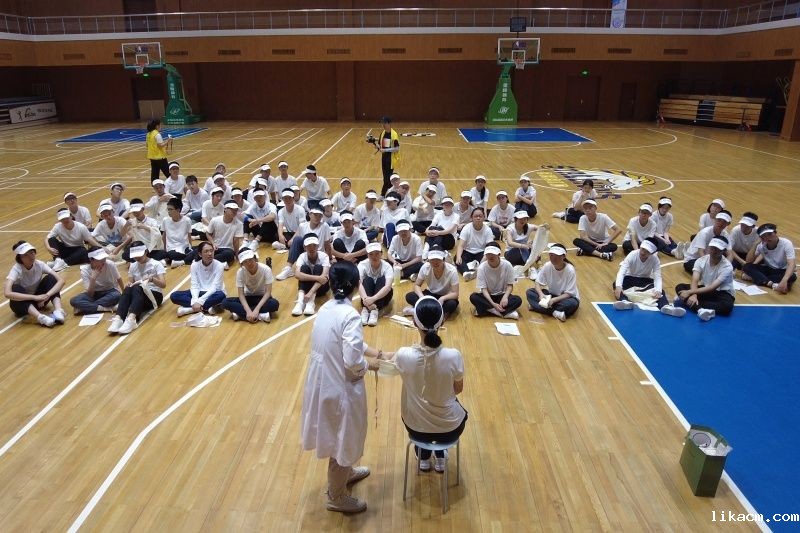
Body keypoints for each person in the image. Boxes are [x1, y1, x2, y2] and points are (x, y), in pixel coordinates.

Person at [300, 260, 384, 513]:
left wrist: (376, 353)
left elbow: (346, 342)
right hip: (340, 386)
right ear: (357, 285)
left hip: (323, 380)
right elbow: (352, 360)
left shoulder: (326, 308)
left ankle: (345, 473)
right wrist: (370, 365)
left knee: (339, 434)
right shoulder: (351, 315)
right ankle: (336, 495)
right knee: (343, 437)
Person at [381, 296, 467, 473]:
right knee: (455, 407)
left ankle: (424, 456)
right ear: (442, 321)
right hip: (449, 430)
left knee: (420, 418)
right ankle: (441, 455)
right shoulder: (454, 356)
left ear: (414, 322)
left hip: (416, 429)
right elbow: (458, 389)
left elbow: (384, 360)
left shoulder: (403, 355)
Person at [662, 236, 734, 321]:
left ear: (724, 251)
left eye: (717, 249)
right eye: (712, 247)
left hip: (722, 293)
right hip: (705, 289)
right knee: (680, 287)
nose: (714, 251)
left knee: (727, 307)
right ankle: (700, 310)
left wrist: (689, 292)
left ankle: (686, 302)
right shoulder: (701, 260)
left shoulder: (727, 267)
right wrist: (694, 295)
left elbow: (712, 287)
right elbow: (695, 280)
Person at [108, 241, 167, 335]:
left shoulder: (156, 264)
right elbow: (131, 283)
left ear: (146, 252)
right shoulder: (133, 265)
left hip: (154, 295)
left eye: (139, 255)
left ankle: (131, 318)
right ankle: (119, 318)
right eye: (135, 256)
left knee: (137, 287)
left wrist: (152, 279)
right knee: (128, 288)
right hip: (138, 295)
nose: (137, 258)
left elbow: (163, 285)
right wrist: (128, 284)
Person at [5, 241, 66, 327]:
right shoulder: (16, 269)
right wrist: (35, 297)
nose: (30, 256)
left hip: (40, 301)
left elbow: (61, 280)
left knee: (51, 278)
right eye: (26, 255)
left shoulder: (39, 264)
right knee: (15, 288)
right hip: (21, 305)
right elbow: (7, 293)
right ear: (20, 258)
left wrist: (46, 295)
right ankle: (41, 318)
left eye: (31, 252)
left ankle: (58, 311)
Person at [170, 241, 227, 316]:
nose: (210, 253)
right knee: (174, 295)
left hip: (213, 293)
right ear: (200, 254)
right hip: (199, 292)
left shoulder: (219, 265)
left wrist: (200, 301)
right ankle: (206, 307)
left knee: (221, 296)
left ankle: (190, 309)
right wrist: (195, 301)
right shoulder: (195, 265)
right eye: (206, 251)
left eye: (211, 251)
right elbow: (194, 285)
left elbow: (215, 287)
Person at [526, 244, 580, 322]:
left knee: (573, 304)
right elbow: (537, 282)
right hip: (551, 295)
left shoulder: (570, 270)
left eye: (557, 256)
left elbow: (569, 294)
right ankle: (555, 312)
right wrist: (541, 295)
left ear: (564, 256)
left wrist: (553, 300)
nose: (553, 258)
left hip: (566, 298)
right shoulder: (547, 265)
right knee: (530, 292)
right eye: (551, 255)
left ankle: (537, 307)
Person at [223, 249, 279, 322]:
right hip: (248, 297)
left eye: (250, 260)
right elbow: (241, 295)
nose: (249, 263)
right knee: (225, 302)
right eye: (245, 262)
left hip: (261, 297)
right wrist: (248, 311)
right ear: (242, 264)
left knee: (274, 304)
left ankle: (240, 314)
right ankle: (261, 316)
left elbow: (268, 293)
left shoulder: (266, 269)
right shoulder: (240, 272)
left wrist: (257, 309)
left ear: (255, 258)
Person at [404, 246, 460, 319]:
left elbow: (455, 293)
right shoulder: (425, 267)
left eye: (438, 259)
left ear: (443, 260)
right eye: (432, 259)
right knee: (410, 296)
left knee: (452, 304)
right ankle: (438, 312)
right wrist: (422, 297)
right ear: (428, 260)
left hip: (445, 296)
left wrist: (442, 298)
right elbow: (417, 285)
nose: (435, 262)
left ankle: (421, 310)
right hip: (430, 294)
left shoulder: (452, 270)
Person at [277, 207, 333, 280]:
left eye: (320, 215)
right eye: (315, 215)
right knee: (297, 239)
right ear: (310, 215)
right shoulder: (302, 226)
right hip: (306, 253)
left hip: (318, 254)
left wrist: (330, 259)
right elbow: (297, 243)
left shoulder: (324, 226)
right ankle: (288, 268)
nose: (317, 217)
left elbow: (327, 244)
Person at [611, 239, 668, 310]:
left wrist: (658, 290)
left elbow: (657, 276)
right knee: (616, 284)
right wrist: (618, 286)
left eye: (647, 251)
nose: (643, 253)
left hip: (644, 280)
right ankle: (624, 301)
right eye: (643, 249)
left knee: (660, 291)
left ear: (652, 253)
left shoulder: (655, 259)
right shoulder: (632, 254)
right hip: (629, 279)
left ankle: (665, 306)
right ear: (640, 247)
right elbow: (622, 271)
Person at [469, 244, 522, 319]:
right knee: (473, 297)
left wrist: (505, 297)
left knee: (518, 300)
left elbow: (510, 285)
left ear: (499, 254)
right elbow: (484, 289)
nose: (490, 256)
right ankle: (502, 312)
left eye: (493, 254)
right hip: (488, 296)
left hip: (501, 295)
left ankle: (486, 310)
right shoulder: (482, 268)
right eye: (488, 254)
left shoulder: (507, 265)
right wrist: (493, 304)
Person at [743, 223, 796, 294]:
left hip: (782, 271)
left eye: (770, 234)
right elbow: (748, 261)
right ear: (761, 238)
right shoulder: (761, 246)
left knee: (792, 276)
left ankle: (759, 279)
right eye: (764, 236)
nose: (768, 237)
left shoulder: (786, 243)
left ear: (775, 233)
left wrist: (784, 280)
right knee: (747, 267)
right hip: (768, 269)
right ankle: (771, 284)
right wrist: (755, 244)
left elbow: (791, 263)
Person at [69, 247, 124, 315]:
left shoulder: (110, 264)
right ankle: (105, 308)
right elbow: (90, 294)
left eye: (104, 258)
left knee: (117, 295)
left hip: (110, 291)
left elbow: (119, 279)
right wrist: (93, 279)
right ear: (91, 260)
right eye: (100, 259)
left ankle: (85, 308)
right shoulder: (85, 270)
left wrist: (124, 294)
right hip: (94, 294)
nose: (103, 261)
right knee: (74, 301)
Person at [291, 234, 331, 316]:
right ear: (305, 247)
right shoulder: (302, 256)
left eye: (314, 245)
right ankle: (300, 302)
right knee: (304, 268)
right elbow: (297, 275)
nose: (312, 248)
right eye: (309, 246)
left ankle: (310, 303)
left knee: (318, 267)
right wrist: (317, 278)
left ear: (318, 246)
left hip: (321, 288)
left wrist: (310, 293)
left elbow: (323, 278)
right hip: (307, 287)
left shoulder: (324, 256)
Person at [357, 242, 394, 326]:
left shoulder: (387, 266)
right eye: (371, 254)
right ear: (367, 255)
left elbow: (388, 287)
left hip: (381, 296)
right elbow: (358, 284)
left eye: (377, 253)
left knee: (382, 279)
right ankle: (366, 309)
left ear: (381, 254)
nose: (374, 257)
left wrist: (373, 299)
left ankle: (374, 311)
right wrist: (365, 299)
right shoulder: (362, 264)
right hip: (367, 297)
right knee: (367, 279)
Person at [455, 207, 495, 280]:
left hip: (481, 252)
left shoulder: (488, 230)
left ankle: (478, 271)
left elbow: (490, 248)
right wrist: (458, 257)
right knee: (457, 258)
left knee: (491, 258)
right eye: (476, 216)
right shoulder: (466, 228)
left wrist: (483, 260)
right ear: (471, 218)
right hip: (468, 252)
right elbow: (461, 245)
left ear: (484, 218)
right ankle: (466, 272)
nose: (478, 218)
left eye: (480, 216)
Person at [206, 201, 244, 266]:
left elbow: (236, 242)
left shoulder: (239, 224)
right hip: (214, 247)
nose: (234, 212)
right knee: (201, 249)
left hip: (228, 249)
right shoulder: (215, 220)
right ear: (225, 209)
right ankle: (215, 262)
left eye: (236, 210)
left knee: (229, 255)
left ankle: (206, 261)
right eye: (232, 209)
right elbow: (208, 233)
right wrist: (213, 243)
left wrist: (237, 255)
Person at [161, 198, 194, 267]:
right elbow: (164, 236)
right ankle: (188, 258)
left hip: (184, 247)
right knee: (171, 254)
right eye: (168, 209)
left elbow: (189, 236)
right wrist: (164, 251)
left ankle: (181, 261)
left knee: (200, 249)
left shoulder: (187, 220)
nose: (169, 212)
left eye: (171, 209)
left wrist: (190, 248)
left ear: (178, 210)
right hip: (171, 249)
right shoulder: (165, 220)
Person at [376, 116, 400, 197]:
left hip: (390, 159)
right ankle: (392, 193)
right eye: (382, 123)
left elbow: (397, 148)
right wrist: (374, 143)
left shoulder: (394, 135)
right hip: (384, 159)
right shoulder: (383, 133)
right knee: (386, 178)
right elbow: (381, 146)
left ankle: (383, 195)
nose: (383, 125)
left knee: (387, 178)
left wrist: (385, 150)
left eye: (385, 123)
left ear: (389, 123)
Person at [146, 118, 171, 183]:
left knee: (155, 174)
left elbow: (147, 145)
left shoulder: (148, 134)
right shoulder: (157, 134)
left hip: (152, 157)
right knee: (168, 173)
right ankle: (174, 184)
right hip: (160, 158)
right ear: (157, 126)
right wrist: (168, 140)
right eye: (160, 125)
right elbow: (161, 145)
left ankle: (154, 186)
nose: (160, 126)